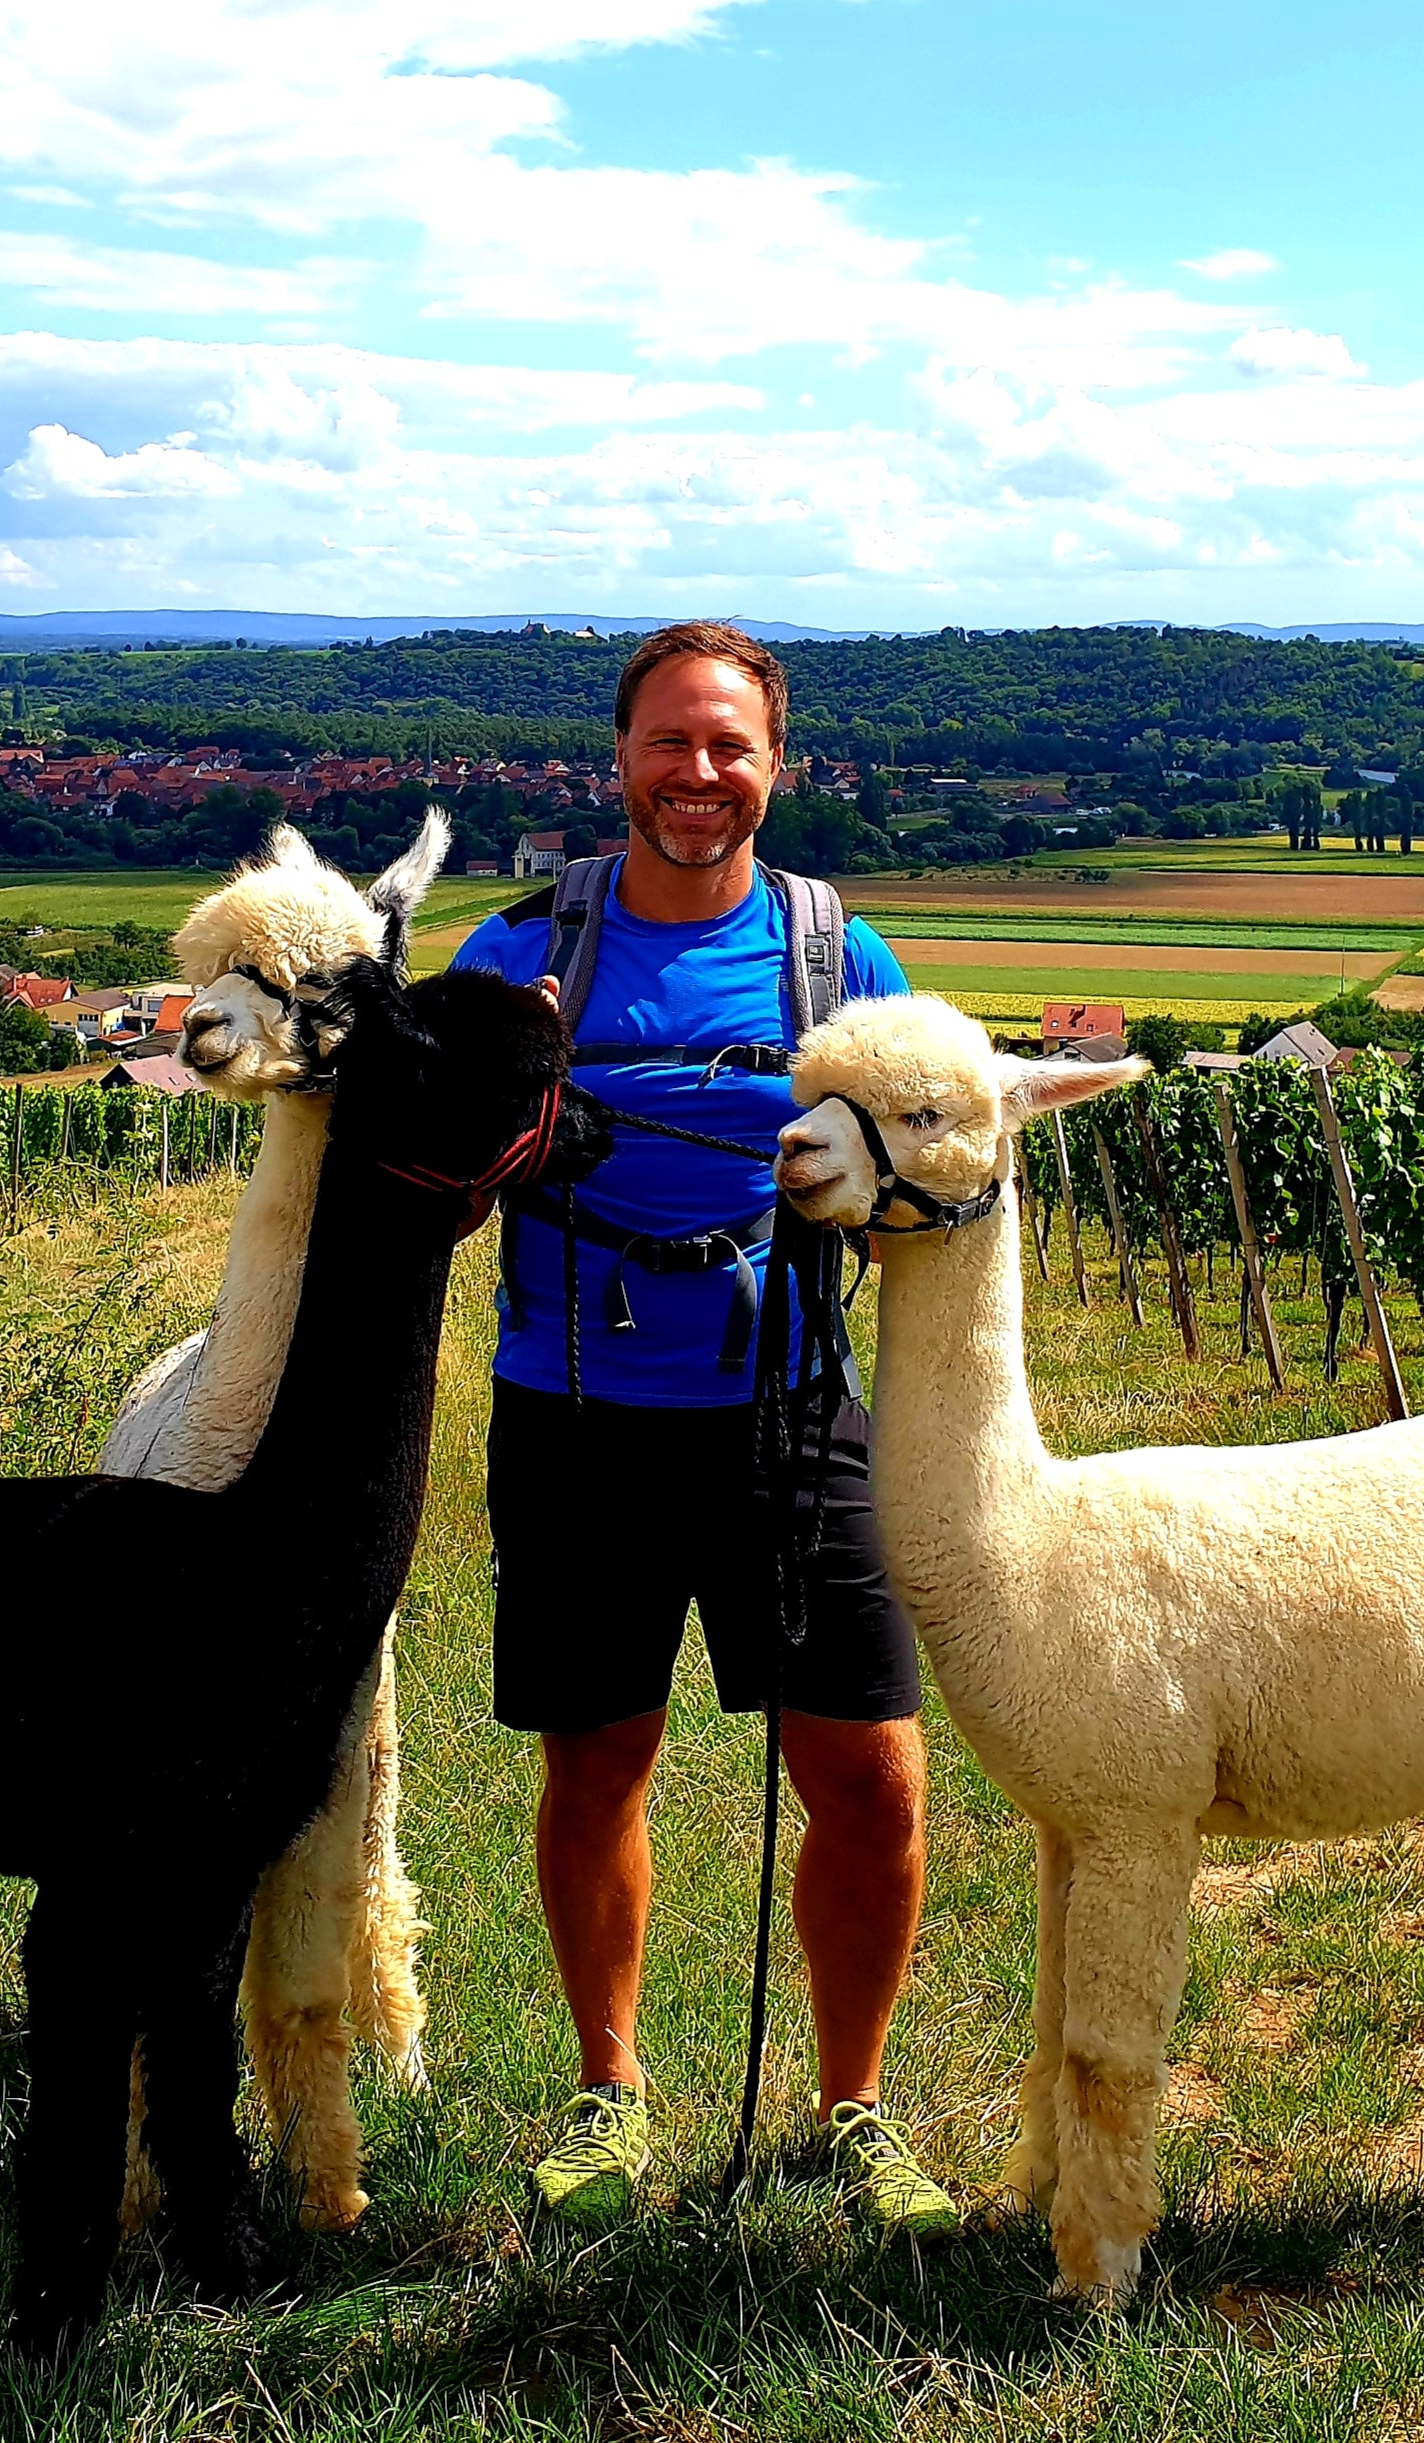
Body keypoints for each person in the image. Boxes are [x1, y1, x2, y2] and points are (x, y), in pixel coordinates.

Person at [451, 620, 954, 2235]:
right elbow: (435, 1196)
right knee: (599, 1758)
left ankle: (855, 2107)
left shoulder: (838, 961)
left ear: (774, 766)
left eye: (731, 745)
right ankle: (610, 2095)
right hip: (576, 1407)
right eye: (672, 742)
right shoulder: (520, 955)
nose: (700, 774)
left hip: (793, 1408)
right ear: (620, 762)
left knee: (870, 1773)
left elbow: (925, 1180)